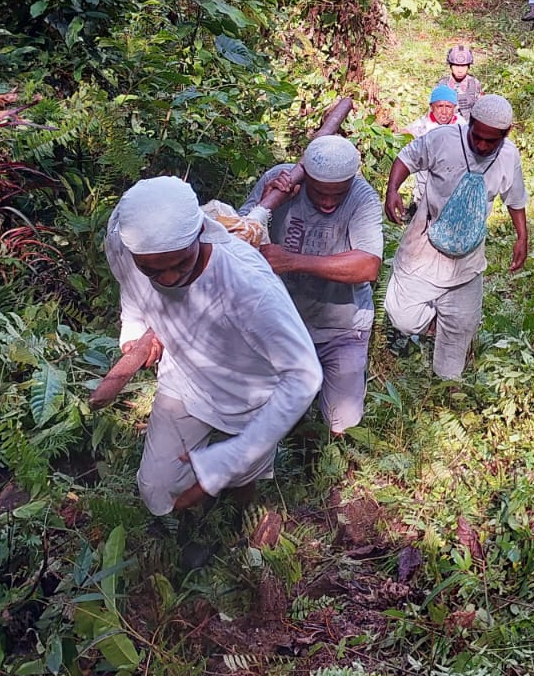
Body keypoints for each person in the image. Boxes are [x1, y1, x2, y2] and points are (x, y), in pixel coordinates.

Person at [104, 176, 321, 564]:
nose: (168, 279)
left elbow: (304, 376)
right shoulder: (123, 241)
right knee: (157, 488)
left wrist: (229, 458)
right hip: (185, 378)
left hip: (252, 392)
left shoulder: (248, 287)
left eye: (179, 264)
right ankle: (185, 523)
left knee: (242, 475)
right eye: (154, 270)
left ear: (202, 233)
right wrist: (135, 331)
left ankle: (233, 521)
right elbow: (132, 291)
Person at [240, 136, 383, 437]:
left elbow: (368, 266)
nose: (328, 202)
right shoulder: (279, 183)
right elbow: (235, 239)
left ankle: (326, 460)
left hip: (342, 327)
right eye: (319, 193)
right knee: (271, 415)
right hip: (281, 323)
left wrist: (292, 261)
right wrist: (266, 203)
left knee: (342, 424)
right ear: (306, 179)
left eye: (337, 194)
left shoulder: (362, 197)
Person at [381, 94, 528, 380]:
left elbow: (516, 199)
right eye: (478, 137)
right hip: (425, 245)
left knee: (461, 328)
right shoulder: (443, 139)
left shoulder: (508, 156)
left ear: (505, 135)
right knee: (402, 317)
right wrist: (392, 190)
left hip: (467, 256)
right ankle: (433, 320)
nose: (483, 145)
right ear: (470, 123)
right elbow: (406, 158)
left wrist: (521, 237)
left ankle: (445, 389)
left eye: (492, 141)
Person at [438, 45, 482, 119]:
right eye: (456, 66)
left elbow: (480, 110)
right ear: (450, 66)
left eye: (463, 66)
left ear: (468, 66)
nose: (460, 70)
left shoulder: (474, 84)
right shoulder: (442, 84)